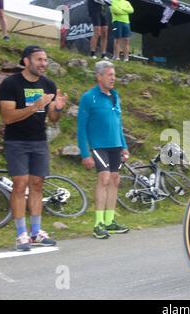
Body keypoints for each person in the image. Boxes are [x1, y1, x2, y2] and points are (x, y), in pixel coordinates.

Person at [0, 46, 68, 251]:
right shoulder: (11, 83)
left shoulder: (48, 84)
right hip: (16, 141)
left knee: (37, 184)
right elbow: (8, 117)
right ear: (26, 61)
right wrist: (35, 105)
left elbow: (53, 119)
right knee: (20, 185)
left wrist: (57, 109)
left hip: (39, 140)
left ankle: (36, 232)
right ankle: (21, 235)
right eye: (39, 60)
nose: (43, 64)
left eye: (45, 60)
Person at [77, 61, 130, 239]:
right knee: (104, 178)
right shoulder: (88, 97)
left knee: (115, 179)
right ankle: (98, 224)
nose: (113, 78)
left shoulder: (115, 96)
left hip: (116, 145)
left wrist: (124, 146)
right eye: (109, 75)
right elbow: (81, 128)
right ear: (99, 76)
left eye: (114, 75)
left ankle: (110, 221)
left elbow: (119, 124)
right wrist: (85, 153)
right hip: (99, 146)